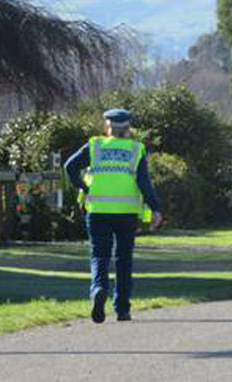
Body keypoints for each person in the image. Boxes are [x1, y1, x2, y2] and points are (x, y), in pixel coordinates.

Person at [64, 109, 163, 324]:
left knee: (99, 255)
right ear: (128, 129)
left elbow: (69, 166)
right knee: (123, 259)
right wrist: (156, 209)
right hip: (126, 214)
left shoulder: (95, 146)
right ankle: (122, 309)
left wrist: (83, 186)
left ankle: (99, 288)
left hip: (98, 210)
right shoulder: (136, 149)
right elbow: (144, 183)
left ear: (107, 128)